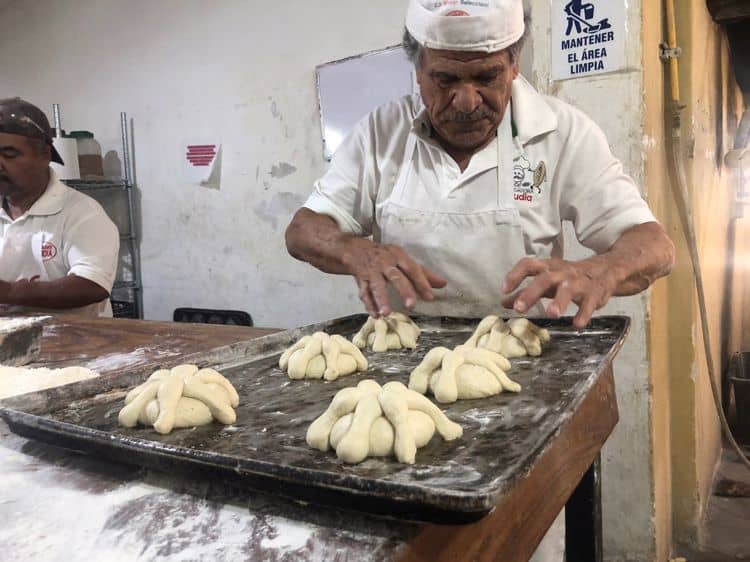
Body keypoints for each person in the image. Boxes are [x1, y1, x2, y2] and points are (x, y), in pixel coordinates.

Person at [285, 0, 675, 329]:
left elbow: (654, 246)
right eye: (446, 80)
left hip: (525, 364)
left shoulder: (563, 133)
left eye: (487, 77)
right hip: (401, 365)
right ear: (418, 71)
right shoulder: (381, 132)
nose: (468, 101)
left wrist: (595, 271)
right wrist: (358, 252)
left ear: (514, 65)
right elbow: (303, 230)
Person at [0, 97, 119, 317]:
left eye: (9, 154)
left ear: (45, 155)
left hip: (75, 345)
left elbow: (92, 285)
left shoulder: (81, 213)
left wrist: (11, 291)